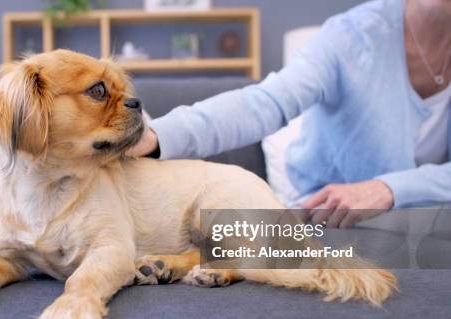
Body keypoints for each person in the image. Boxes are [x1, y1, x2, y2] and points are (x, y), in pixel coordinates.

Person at [127, 0, 451, 228]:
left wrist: (390, 188)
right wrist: (158, 136)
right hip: (324, 217)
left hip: (430, 219)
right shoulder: (349, 37)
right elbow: (265, 102)